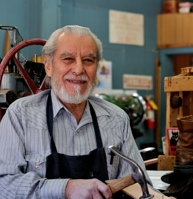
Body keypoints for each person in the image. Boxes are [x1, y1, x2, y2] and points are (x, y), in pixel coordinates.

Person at [0, 25, 151, 199]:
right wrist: (66, 188)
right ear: (48, 66)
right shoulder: (19, 116)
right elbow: (4, 186)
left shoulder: (117, 119)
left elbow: (138, 185)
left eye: (88, 60)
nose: (79, 69)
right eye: (68, 59)